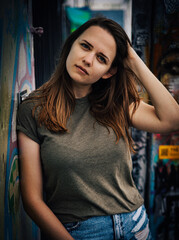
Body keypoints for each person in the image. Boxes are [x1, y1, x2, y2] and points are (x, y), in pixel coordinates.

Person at [17, 17, 179, 240]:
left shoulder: (117, 104)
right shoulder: (33, 110)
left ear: (108, 71)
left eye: (101, 58)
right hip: (78, 232)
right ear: (71, 44)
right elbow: (32, 199)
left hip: (134, 226)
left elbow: (172, 119)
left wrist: (131, 59)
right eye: (85, 46)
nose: (88, 60)